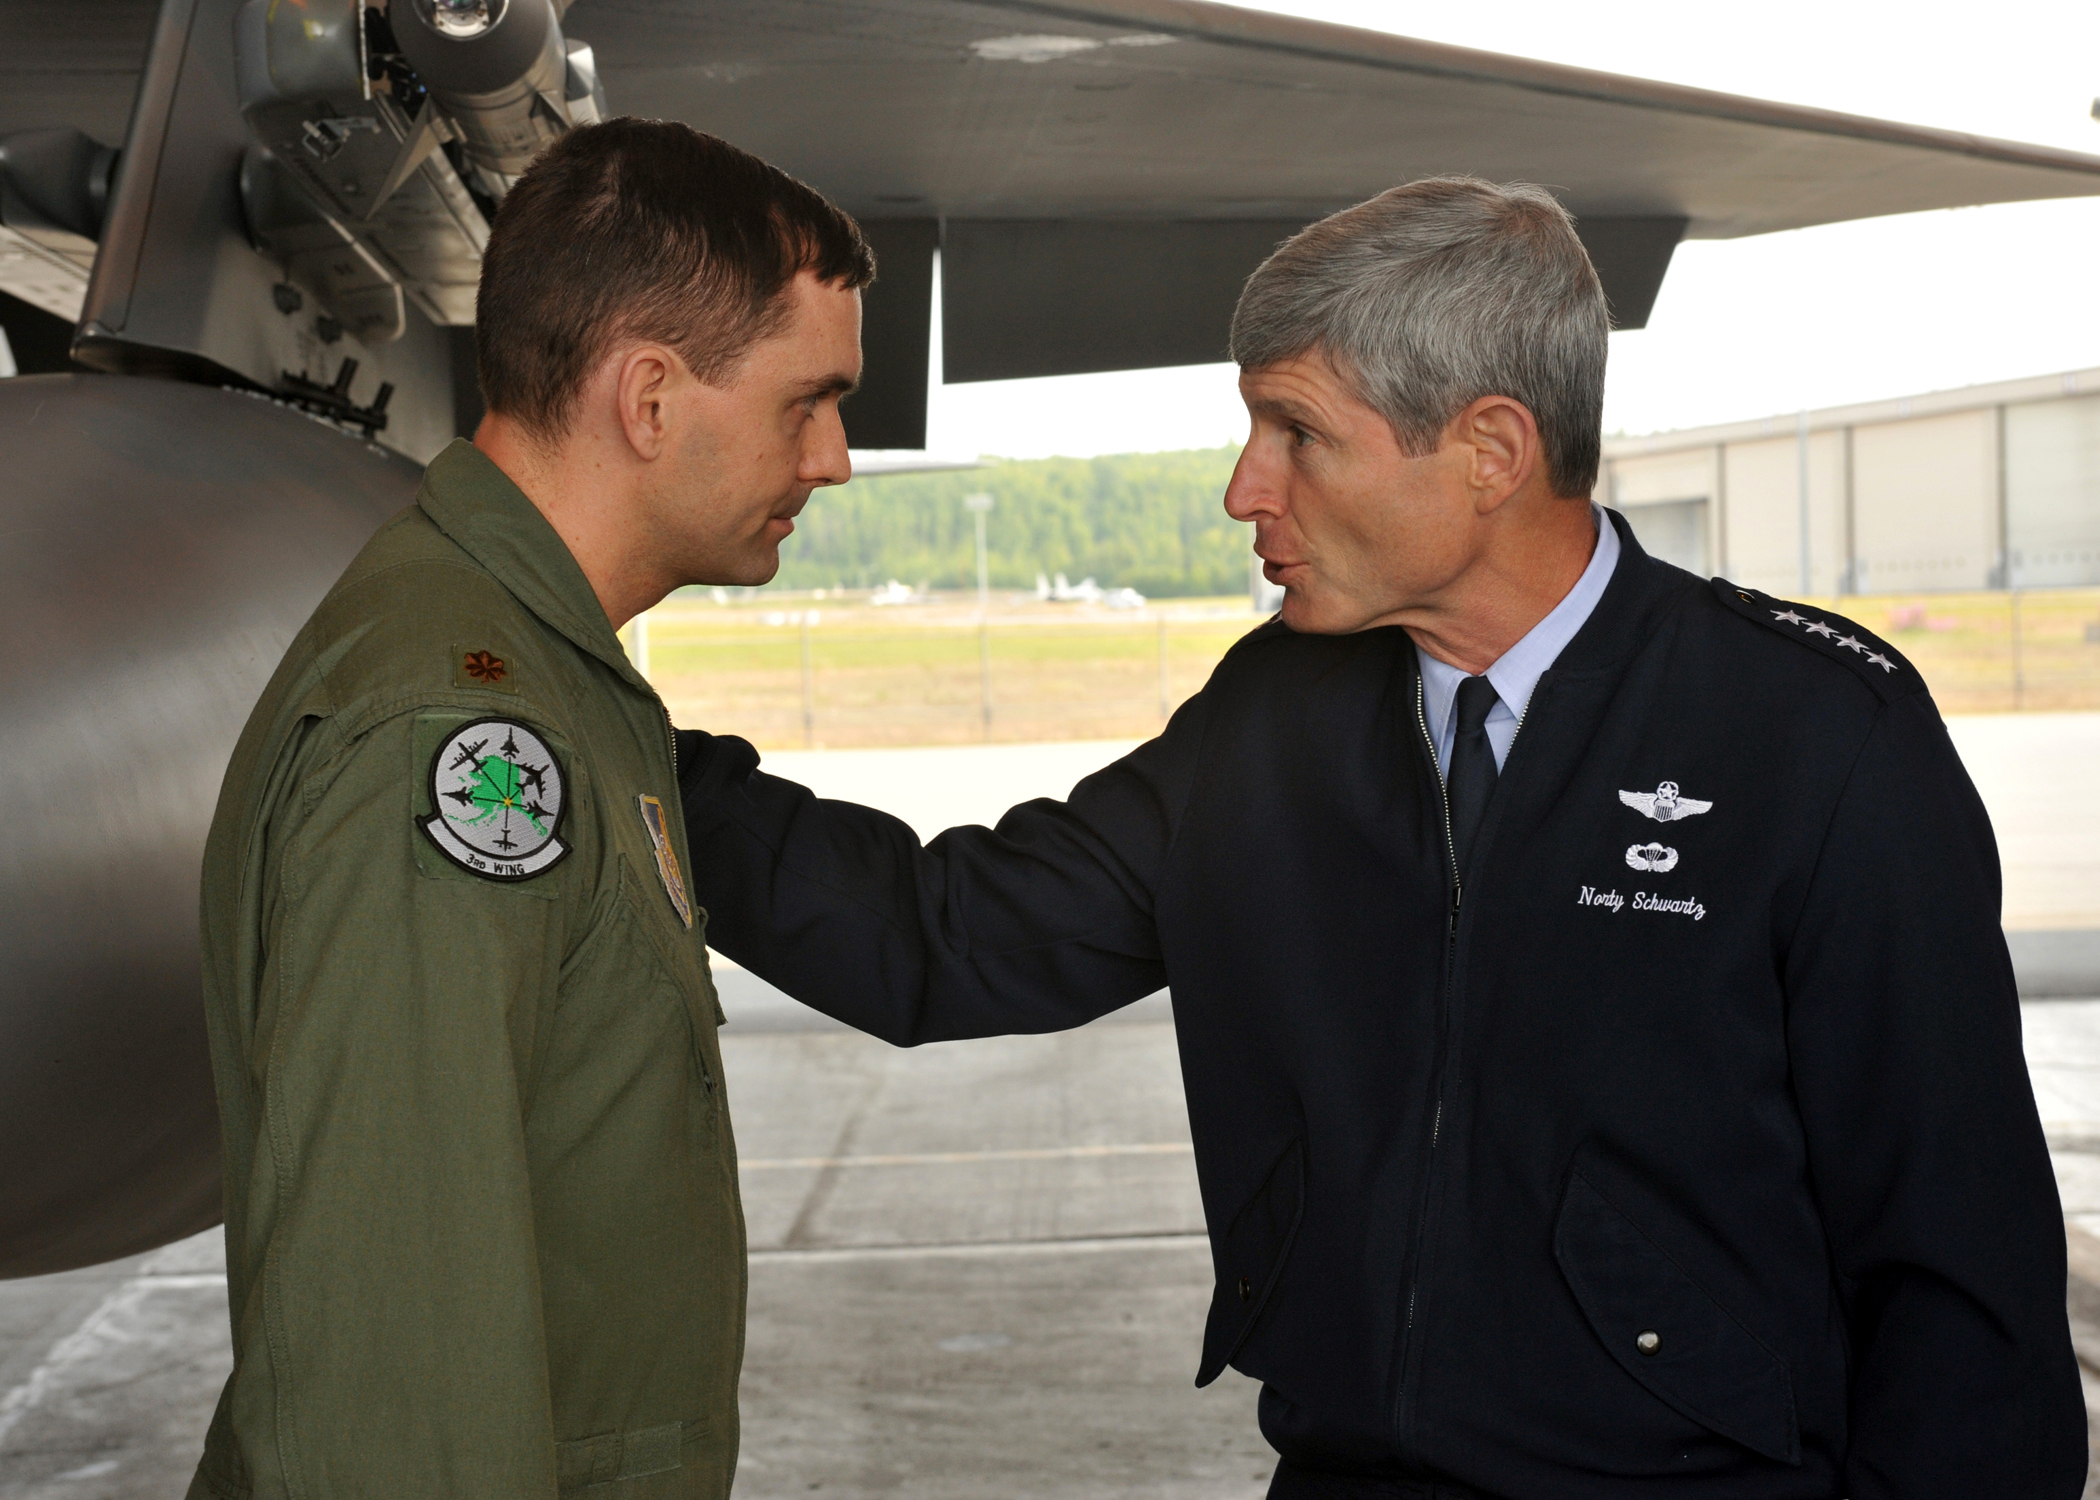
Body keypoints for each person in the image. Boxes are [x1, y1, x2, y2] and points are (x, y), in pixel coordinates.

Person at [673, 177, 2085, 1497]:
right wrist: (633, 757)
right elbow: (949, 938)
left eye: (1298, 433)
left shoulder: (1814, 740)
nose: (1245, 489)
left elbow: (1963, 1292)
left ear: (1488, 452)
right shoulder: (1276, 718)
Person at [190, 119, 868, 1498]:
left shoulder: (541, 673)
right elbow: (392, 1362)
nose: (838, 457)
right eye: (808, 400)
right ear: (651, 399)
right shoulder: (450, 724)